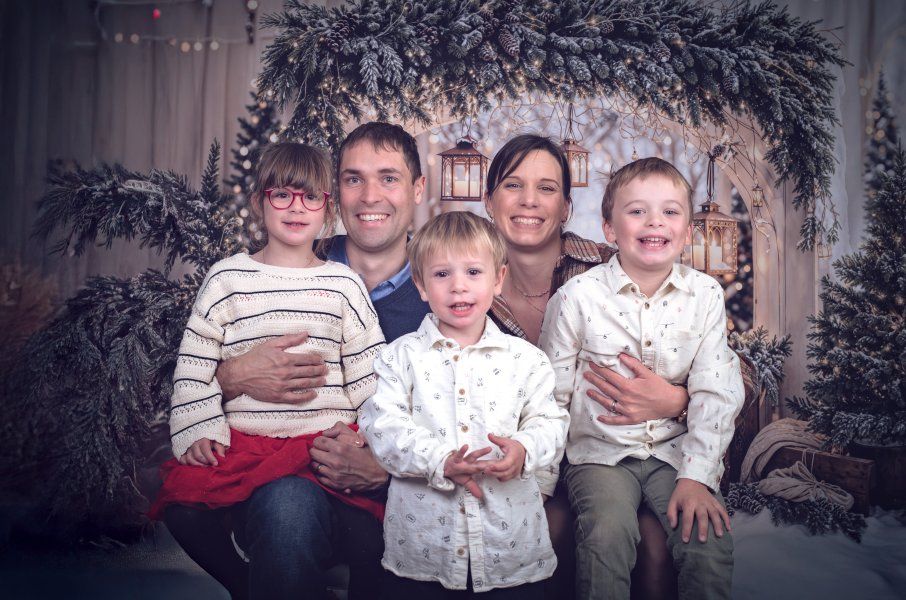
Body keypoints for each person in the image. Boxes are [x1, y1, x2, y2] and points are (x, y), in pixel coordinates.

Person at [156, 142, 386, 600]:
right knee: (181, 505)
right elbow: (195, 363)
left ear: (328, 208)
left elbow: (370, 374)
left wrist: (370, 438)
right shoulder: (227, 280)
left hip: (320, 444)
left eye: (309, 197)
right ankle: (247, 587)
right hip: (247, 444)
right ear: (261, 201)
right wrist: (198, 425)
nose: (295, 208)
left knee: (311, 519)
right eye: (282, 195)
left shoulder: (342, 284)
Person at [483, 134, 692, 599]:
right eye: (513, 185)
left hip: (618, 458)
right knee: (539, 529)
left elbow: (728, 372)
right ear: (489, 200)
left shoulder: (617, 264)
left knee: (656, 543)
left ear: (566, 207)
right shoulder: (463, 280)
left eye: (547, 188)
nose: (529, 201)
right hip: (518, 464)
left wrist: (676, 400)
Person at [539, 157, 744, 599]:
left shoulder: (705, 296)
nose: (655, 222)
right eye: (637, 211)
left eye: (670, 212)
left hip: (675, 454)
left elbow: (716, 389)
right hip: (599, 453)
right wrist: (539, 480)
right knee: (606, 534)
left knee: (707, 538)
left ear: (689, 232)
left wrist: (698, 476)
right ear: (610, 228)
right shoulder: (577, 297)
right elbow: (548, 395)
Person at [359, 211, 569, 598]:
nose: (458, 287)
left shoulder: (527, 360)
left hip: (511, 553)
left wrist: (524, 450)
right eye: (442, 275)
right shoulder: (398, 358)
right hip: (423, 553)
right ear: (420, 285)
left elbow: (551, 422)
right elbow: (383, 427)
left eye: (473, 272)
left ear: (498, 279)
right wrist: (439, 460)